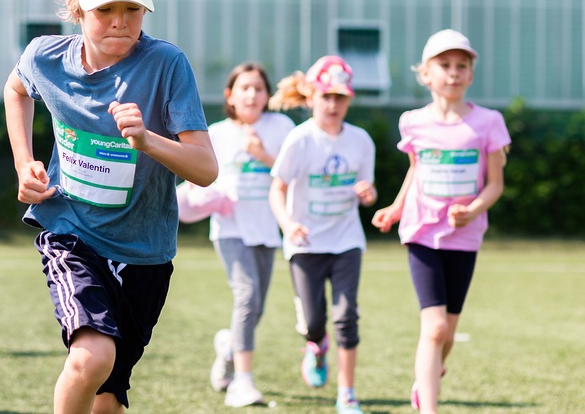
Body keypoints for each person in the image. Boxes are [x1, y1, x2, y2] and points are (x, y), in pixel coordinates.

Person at [2, 0, 218, 412]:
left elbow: (205, 169)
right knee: (90, 357)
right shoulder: (44, 57)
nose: (120, 23)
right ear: (75, 3)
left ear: (149, 5)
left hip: (146, 252)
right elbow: (16, 90)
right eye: (104, 10)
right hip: (71, 232)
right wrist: (24, 161)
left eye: (132, 10)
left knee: (108, 396)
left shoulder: (167, 65)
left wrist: (146, 140)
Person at [371, 29, 509, 414]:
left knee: (447, 331)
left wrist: (474, 209)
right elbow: (416, 170)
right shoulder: (412, 122)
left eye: (461, 66)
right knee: (433, 328)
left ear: (470, 73)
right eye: (444, 66)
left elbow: (495, 184)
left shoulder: (489, 122)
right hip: (421, 232)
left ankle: (426, 376)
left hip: (464, 236)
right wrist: (397, 208)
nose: (453, 73)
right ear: (426, 74)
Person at [179, 63, 294, 407]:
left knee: (255, 308)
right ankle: (242, 382)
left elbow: (293, 174)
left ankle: (228, 346)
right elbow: (196, 180)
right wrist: (207, 197)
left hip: (267, 229)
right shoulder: (216, 133)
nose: (252, 94)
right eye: (244, 88)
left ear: (267, 95)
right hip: (230, 231)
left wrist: (262, 155)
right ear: (230, 95)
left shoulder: (282, 126)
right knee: (246, 296)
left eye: (258, 88)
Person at [267, 56, 376, 414]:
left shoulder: (361, 141)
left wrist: (367, 194)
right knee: (313, 321)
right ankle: (316, 345)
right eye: (326, 96)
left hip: (346, 241)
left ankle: (347, 394)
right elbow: (277, 188)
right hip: (306, 244)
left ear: (349, 100)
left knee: (346, 317)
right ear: (312, 96)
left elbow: (368, 191)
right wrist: (288, 224)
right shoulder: (300, 140)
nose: (332, 104)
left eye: (340, 97)